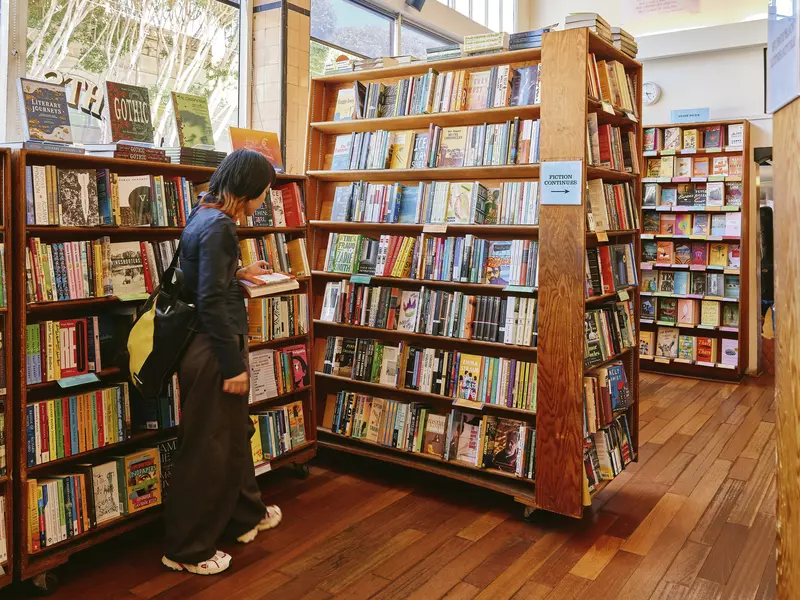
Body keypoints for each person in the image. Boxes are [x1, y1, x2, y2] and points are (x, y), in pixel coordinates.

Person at [162, 149, 283, 576]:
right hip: (214, 351)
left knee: (233, 436)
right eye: (264, 192)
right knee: (206, 450)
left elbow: (203, 279)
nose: (264, 201)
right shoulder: (219, 228)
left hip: (207, 345)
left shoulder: (204, 214)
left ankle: (245, 515)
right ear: (250, 190)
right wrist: (233, 366)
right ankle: (186, 548)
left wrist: (239, 273)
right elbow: (211, 301)